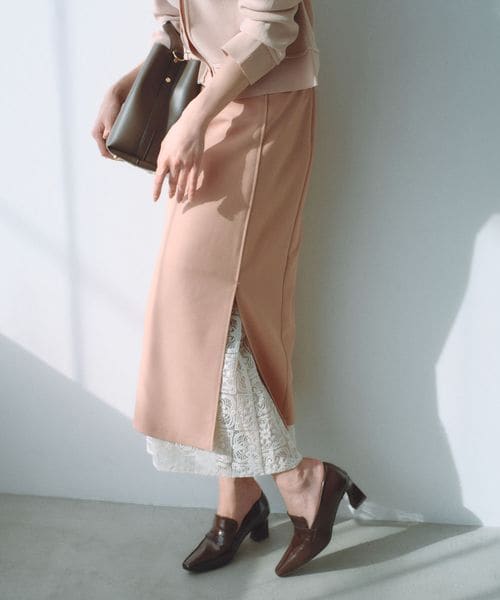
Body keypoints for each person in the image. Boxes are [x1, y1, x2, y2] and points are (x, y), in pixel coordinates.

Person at [91, 0, 367, 577]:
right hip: (209, 96)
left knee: (211, 297)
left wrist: (193, 119)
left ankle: (301, 479)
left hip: (265, 103)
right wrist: (126, 85)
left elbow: (269, 30)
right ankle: (237, 494)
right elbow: (177, 23)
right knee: (206, 303)